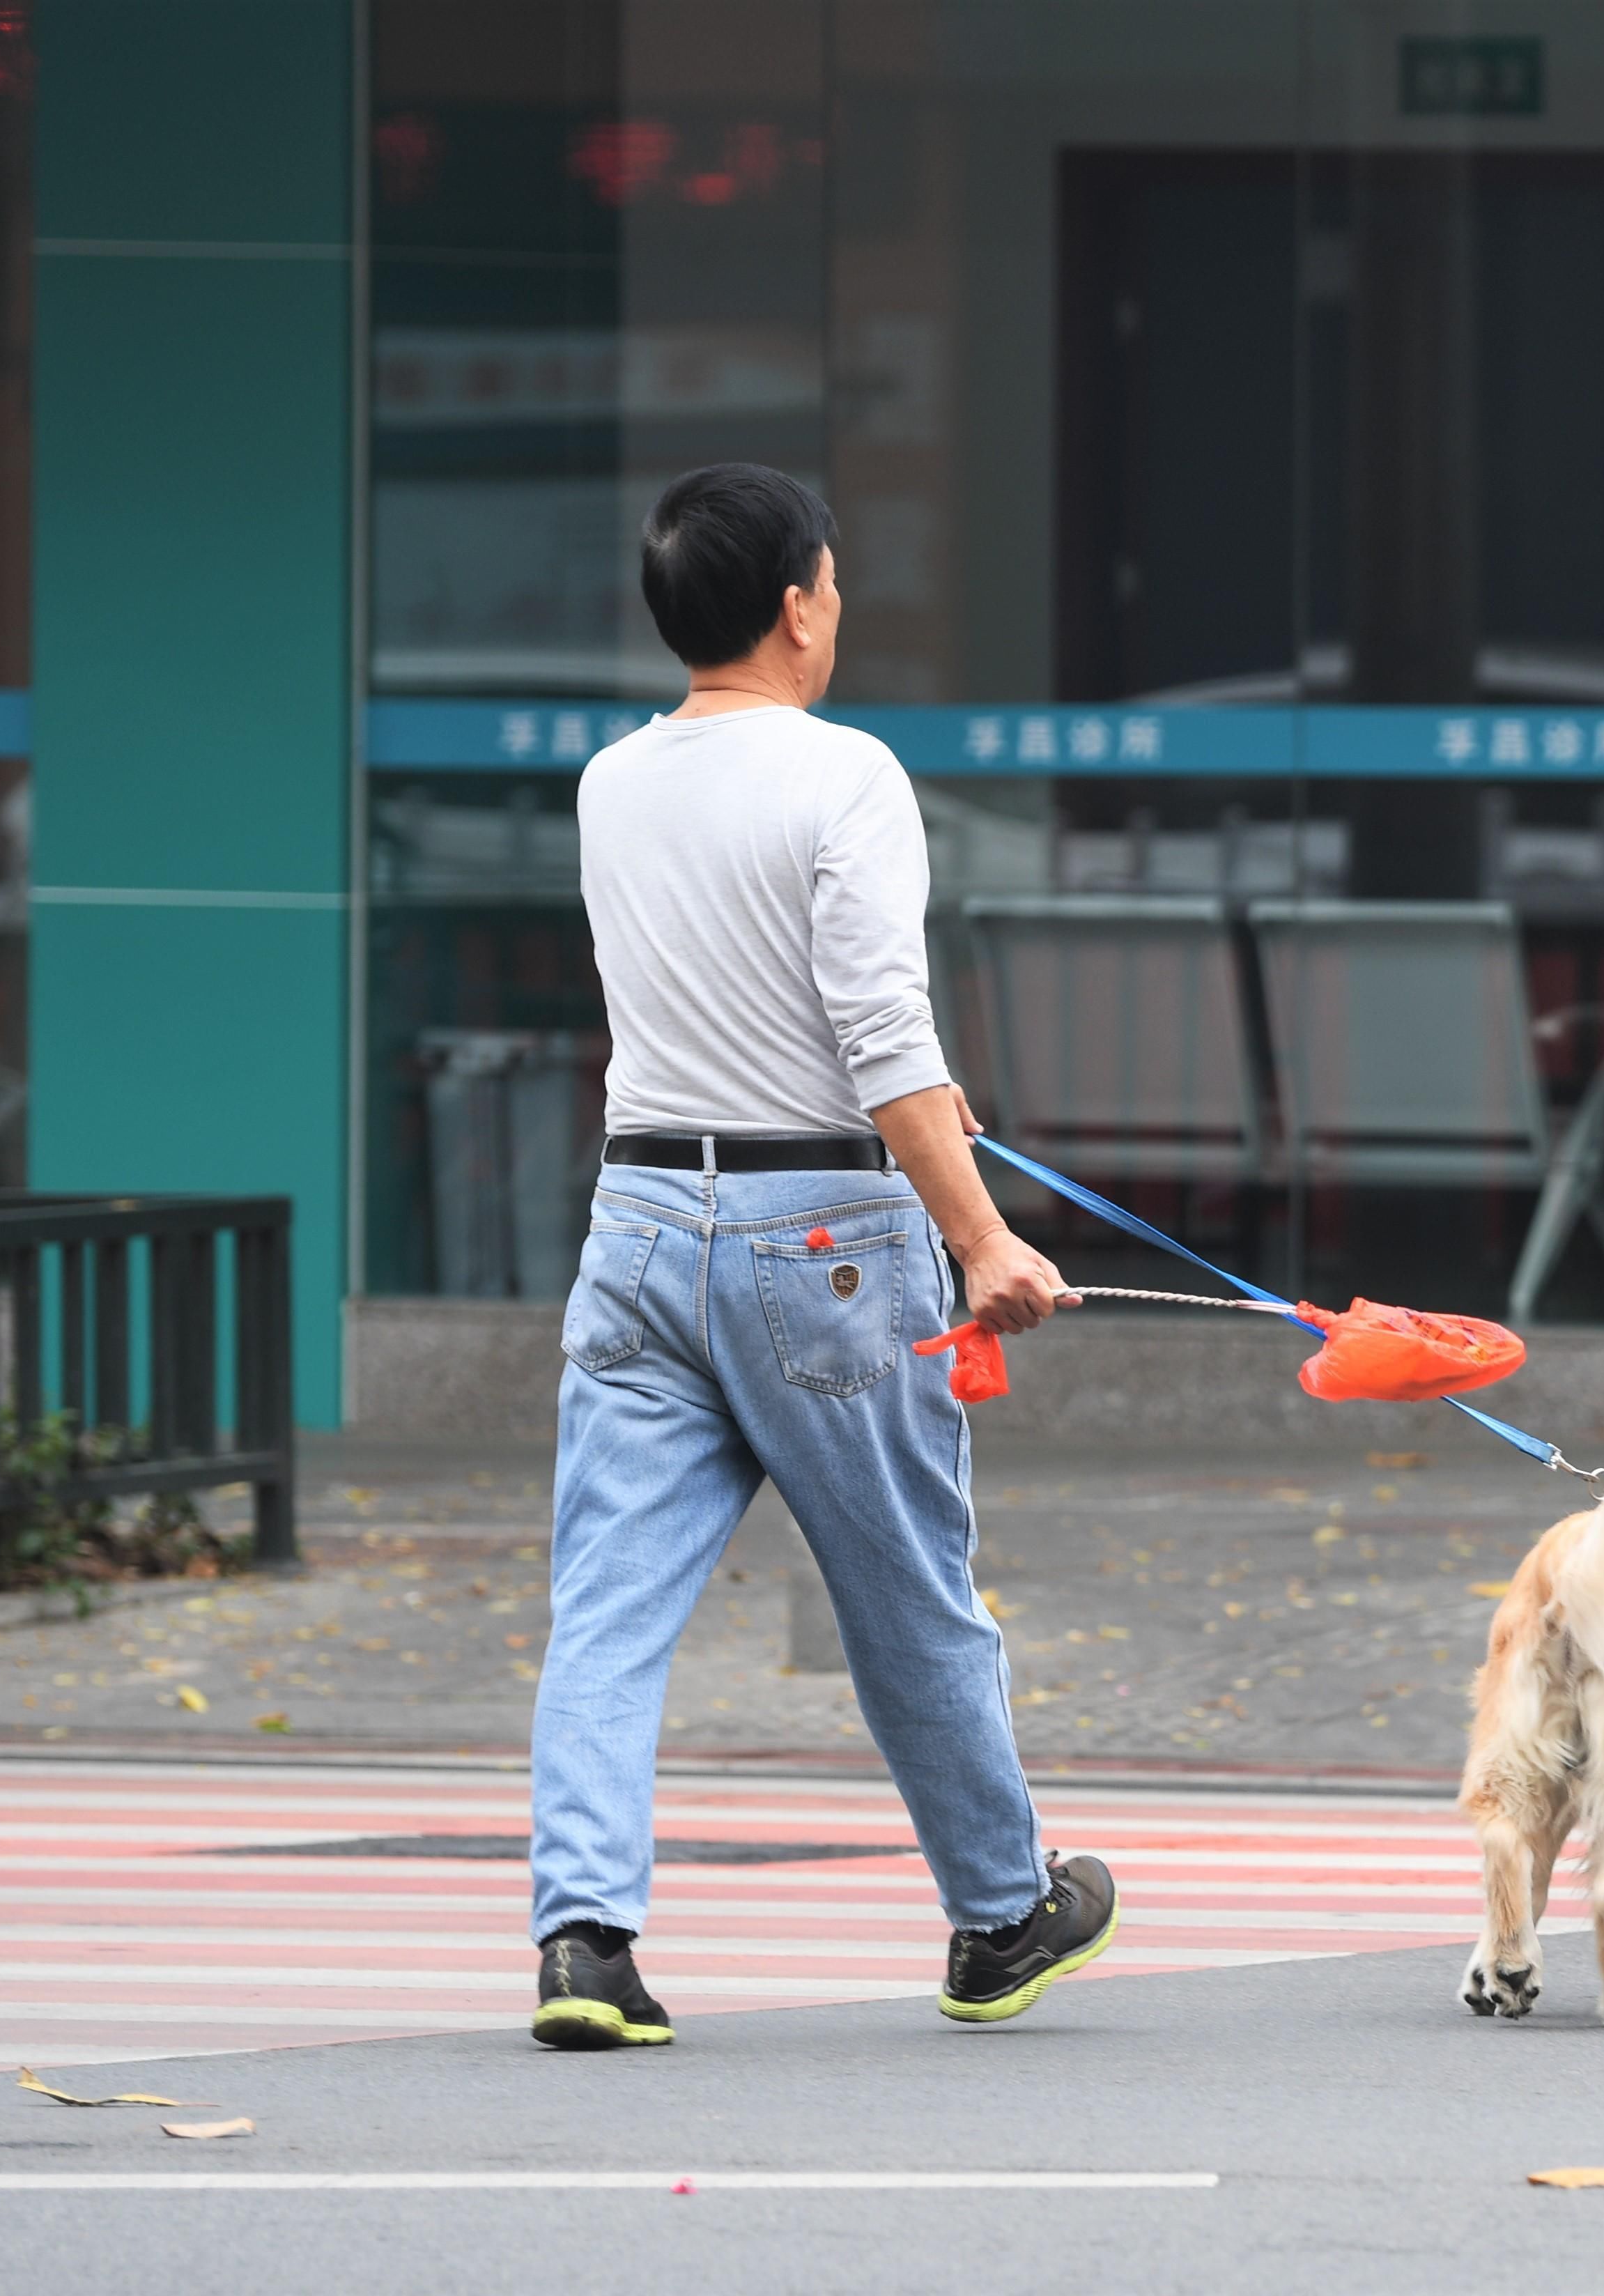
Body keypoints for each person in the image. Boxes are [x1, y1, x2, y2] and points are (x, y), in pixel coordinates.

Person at [528, 463, 1116, 2048]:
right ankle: (1000, 1914)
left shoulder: (607, 780)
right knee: (908, 1594)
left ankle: (584, 1942)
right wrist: (981, 1236)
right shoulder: (845, 776)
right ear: (798, 603)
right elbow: (881, 1036)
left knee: (605, 1607)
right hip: (824, 1242)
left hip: (640, 1223)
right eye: (834, 585)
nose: (836, 608)